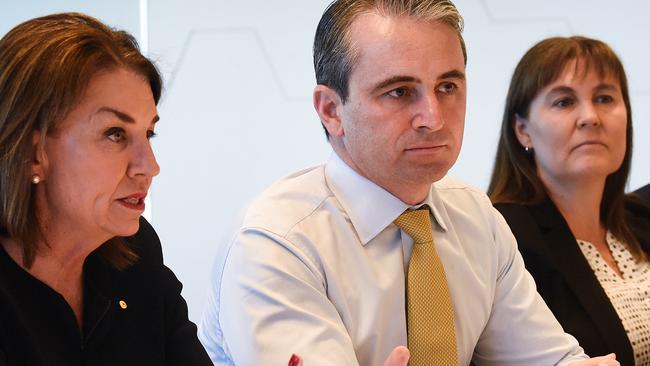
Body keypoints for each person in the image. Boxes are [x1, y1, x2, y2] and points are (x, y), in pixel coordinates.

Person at [199, 1, 619, 365]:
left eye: (448, 86)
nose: (433, 118)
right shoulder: (277, 244)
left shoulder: (474, 216)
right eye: (400, 92)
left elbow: (548, 359)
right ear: (331, 110)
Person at [0, 13, 212, 366]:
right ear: (31, 152)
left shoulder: (136, 252)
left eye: (148, 134)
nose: (150, 166)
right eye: (115, 134)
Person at [488, 36, 650, 366]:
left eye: (605, 98)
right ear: (523, 130)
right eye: (564, 102)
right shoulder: (504, 236)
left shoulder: (641, 217)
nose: (590, 117)